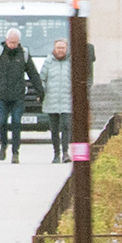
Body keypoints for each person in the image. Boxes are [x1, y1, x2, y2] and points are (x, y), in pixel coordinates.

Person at [0, 27, 39, 165]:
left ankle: (15, 152)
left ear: (19, 42)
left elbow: (33, 74)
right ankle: (3, 145)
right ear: (6, 40)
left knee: (16, 123)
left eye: (15, 43)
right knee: (2, 122)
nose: (12, 45)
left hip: (17, 97)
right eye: (10, 42)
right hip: (2, 96)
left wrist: (41, 92)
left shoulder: (24, 54)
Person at [43, 34, 75, 162]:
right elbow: (42, 79)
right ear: (54, 49)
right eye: (58, 48)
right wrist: (43, 93)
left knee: (66, 126)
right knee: (54, 129)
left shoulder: (72, 63)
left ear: (67, 49)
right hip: (52, 100)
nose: (60, 50)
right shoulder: (49, 62)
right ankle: (56, 153)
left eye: (62, 47)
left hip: (67, 101)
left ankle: (65, 152)